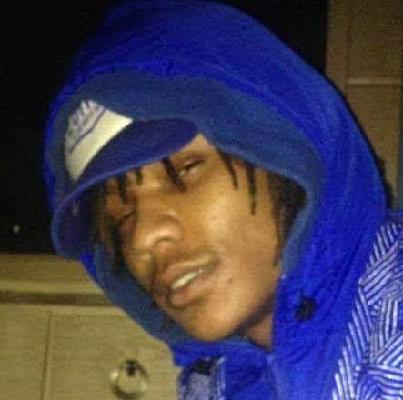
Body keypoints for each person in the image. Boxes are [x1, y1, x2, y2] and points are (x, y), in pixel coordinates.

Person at [44, 1, 403, 398]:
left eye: (185, 171)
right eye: (121, 218)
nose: (143, 238)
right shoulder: (220, 382)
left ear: (289, 152)